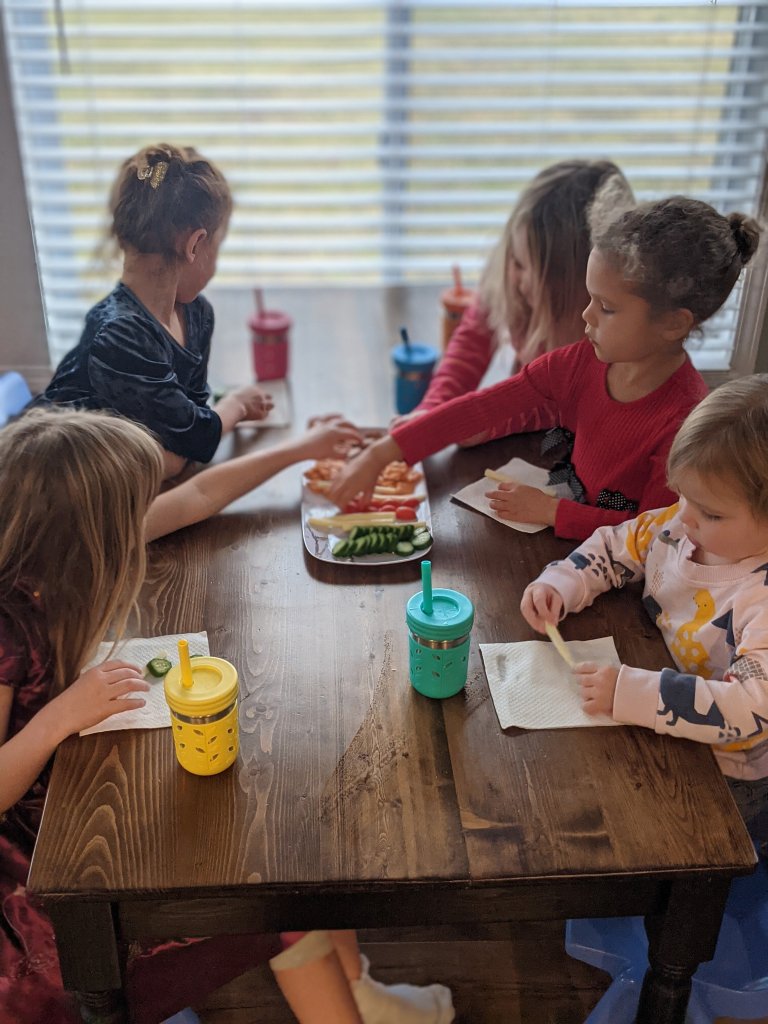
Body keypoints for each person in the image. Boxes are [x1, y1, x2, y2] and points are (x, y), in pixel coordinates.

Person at [0, 408, 455, 1024]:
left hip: (72, 787)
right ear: (89, 532)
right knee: (278, 888)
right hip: (41, 875)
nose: (142, 520)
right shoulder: (8, 627)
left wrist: (302, 448)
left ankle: (361, 991)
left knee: (294, 839)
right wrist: (56, 718)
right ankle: (356, 1002)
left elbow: (198, 497)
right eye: (132, 511)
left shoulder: (68, 549)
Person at [329, 196, 760, 541]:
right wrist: (383, 452)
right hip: (562, 543)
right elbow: (480, 409)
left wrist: (554, 512)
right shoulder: (579, 361)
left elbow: (652, 534)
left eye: (607, 308)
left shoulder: (685, 423)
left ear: (673, 324)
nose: (586, 316)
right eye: (590, 299)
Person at [521, 376, 768, 856]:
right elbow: (616, 544)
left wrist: (630, 692)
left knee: (675, 853)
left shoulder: (759, 596)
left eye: (711, 514)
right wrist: (562, 584)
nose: (685, 517)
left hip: (725, 769)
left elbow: (750, 708)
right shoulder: (682, 523)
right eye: (683, 495)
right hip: (656, 701)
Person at [38, 143, 272, 479]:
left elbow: (189, 429)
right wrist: (237, 405)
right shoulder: (119, 334)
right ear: (195, 245)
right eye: (217, 247)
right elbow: (196, 437)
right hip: (51, 483)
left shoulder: (197, 315)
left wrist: (177, 451)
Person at [402, 159, 634, 422]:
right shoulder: (514, 282)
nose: (512, 274)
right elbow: (471, 344)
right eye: (513, 257)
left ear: (568, 285)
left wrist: (473, 422)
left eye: (523, 266)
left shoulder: (608, 346)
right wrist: (432, 408)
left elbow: (555, 413)